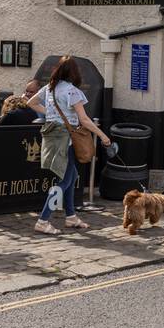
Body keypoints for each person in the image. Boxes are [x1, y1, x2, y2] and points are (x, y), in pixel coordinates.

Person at [29, 55, 111, 234]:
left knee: (71, 177)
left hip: (52, 136)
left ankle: (71, 216)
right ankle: (43, 220)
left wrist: (50, 114)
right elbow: (84, 119)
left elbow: (30, 102)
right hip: (66, 139)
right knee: (64, 181)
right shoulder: (72, 91)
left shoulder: (49, 88)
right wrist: (103, 136)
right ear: (74, 73)